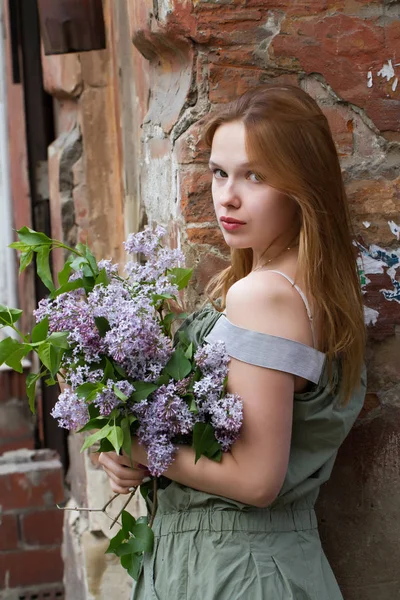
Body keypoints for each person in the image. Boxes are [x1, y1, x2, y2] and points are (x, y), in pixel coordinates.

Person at [98, 84, 367, 599]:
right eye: (220, 172)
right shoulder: (300, 287)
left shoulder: (264, 294)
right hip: (239, 563)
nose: (227, 195)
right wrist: (130, 451)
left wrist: (138, 444)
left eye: (255, 175)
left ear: (301, 186)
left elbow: (257, 480)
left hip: (236, 571)